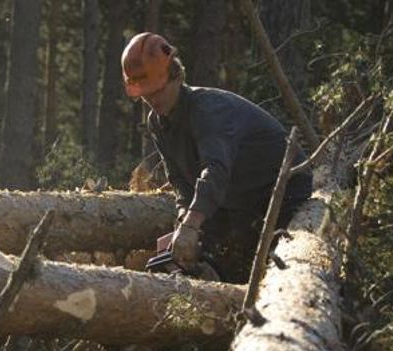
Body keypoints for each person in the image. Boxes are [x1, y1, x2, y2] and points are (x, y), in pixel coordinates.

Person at [122, 32, 313, 283]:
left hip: (283, 190)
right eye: (145, 95)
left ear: (175, 77)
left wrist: (192, 225)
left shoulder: (208, 110)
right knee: (190, 260)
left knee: (280, 273)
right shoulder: (157, 123)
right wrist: (184, 220)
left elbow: (216, 170)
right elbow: (179, 179)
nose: (151, 101)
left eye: (156, 92)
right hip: (234, 198)